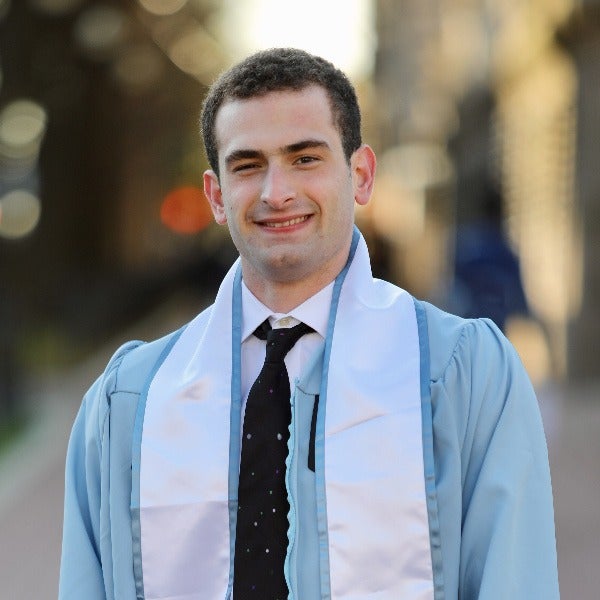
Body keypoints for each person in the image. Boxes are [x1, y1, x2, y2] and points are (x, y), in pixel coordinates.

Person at [59, 48, 559, 599]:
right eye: (248, 165)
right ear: (217, 196)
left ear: (361, 175)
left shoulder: (463, 375)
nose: (277, 193)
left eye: (305, 158)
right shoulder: (129, 401)